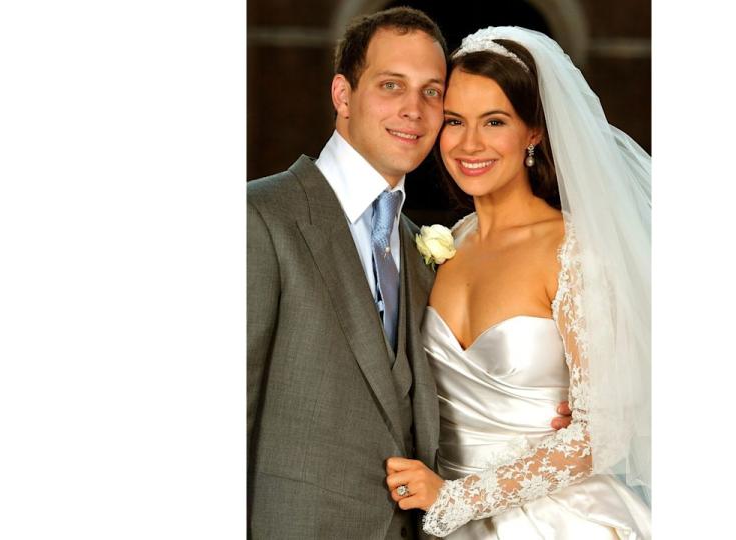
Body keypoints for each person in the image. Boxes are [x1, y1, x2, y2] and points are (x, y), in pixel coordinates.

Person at [247, 11, 571, 539]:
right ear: (343, 95)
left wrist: (583, 412)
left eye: (431, 92)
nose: (413, 111)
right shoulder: (258, 218)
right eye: (391, 85)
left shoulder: (420, 245)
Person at [384, 27, 652, 538]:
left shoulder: (575, 251)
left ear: (534, 132)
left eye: (495, 121)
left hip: (560, 520)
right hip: (439, 516)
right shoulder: (445, 245)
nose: (469, 144)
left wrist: (458, 498)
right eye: (455, 121)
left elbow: (607, 431)